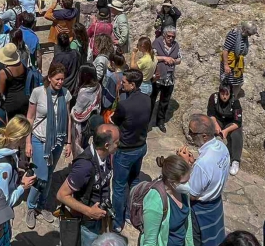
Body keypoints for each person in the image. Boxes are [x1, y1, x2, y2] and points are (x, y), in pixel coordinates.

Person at [25, 63, 73, 228]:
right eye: (57, 79)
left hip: (57, 142)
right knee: (42, 177)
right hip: (40, 140)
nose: (60, 82)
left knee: (50, 174)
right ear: (50, 77)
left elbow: (67, 118)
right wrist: (28, 142)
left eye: (62, 79)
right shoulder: (38, 93)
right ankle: (30, 207)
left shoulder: (65, 94)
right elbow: (30, 118)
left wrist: (68, 142)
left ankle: (42, 205)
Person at [56, 124, 119, 246]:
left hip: (100, 216)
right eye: (117, 143)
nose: (119, 145)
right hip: (87, 222)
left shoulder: (108, 155)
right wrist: (89, 211)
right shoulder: (84, 166)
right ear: (106, 146)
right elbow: (61, 195)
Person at [177, 114, 230, 246]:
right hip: (215, 202)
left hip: (202, 210)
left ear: (205, 136)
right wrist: (192, 162)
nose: (189, 135)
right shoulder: (221, 147)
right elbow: (210, 173)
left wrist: (183, 165)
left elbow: (192, 195)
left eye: (192, 133)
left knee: (197, 241)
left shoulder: (203, 164)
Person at [112, 70, 150, 232]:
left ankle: (117, 221)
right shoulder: (147, 100)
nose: (122, 83)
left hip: (125, 150)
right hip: (140, 147)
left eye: (125, 82)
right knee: (134, 182)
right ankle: (130, 214)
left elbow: (114, 120)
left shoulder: (124, 105)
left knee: (119, 187)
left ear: (133, 85)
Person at [0, 115, 36, 210]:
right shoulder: (3, 169)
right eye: (25, 138)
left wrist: (17, 163)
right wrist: (22, 187)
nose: (25, 142)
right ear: (19, 138)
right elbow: (3, 204)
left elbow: (0, 155)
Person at [141, 155, 194, 246]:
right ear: (171, 181)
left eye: (188, 180)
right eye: (183, 182)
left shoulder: (183, 192)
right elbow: (150, 242)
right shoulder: (155, 202)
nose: (187, 185)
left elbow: (187, 223)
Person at [207, 82, 243, 176]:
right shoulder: (213, 98)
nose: (224, 96)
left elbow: (238, 122)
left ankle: (235, 161)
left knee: (236, 134)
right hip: (217, 120)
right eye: (222, 94)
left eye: (227, 94)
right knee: (207, 125)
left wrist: (226, 131)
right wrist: (216, 126)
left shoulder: (235, 101)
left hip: (230, 123)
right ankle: (207, 152)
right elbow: (211, 114)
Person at [151, 26, 182, 133]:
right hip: (157, 76)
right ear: (164, 35)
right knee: (152, 98)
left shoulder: (176, 45)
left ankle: (160, 121)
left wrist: (173, 60)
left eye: (173, 37)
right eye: (168, 36)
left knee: (165, 101)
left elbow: (179, 59)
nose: (171, 38)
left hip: (169, 77)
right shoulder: (157, 43)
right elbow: (152, 57)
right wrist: (164, 58)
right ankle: (147, 120)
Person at [220, 21, 257, 98]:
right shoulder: (233, 34)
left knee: (238, 83)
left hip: (237, 63)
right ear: (244, 29)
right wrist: (226, 65)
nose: (249, 36)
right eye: (249, 33)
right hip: (230, 62)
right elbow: (225, 50)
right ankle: (225, 100)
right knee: (227, 83)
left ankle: (233, 99)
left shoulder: (244, 36)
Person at [71, 65, 102, 156]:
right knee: (87, 142)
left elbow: (77, 113)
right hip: (93, 118)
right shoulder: (98, 86)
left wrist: (71, 111)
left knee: (80, 144)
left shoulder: (83, 92)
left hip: (83, 124)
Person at [0, 43, 29, 118]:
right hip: (24, 98)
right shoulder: (22, 65)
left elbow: (0, 92)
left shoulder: (3, 72)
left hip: (11, 102)